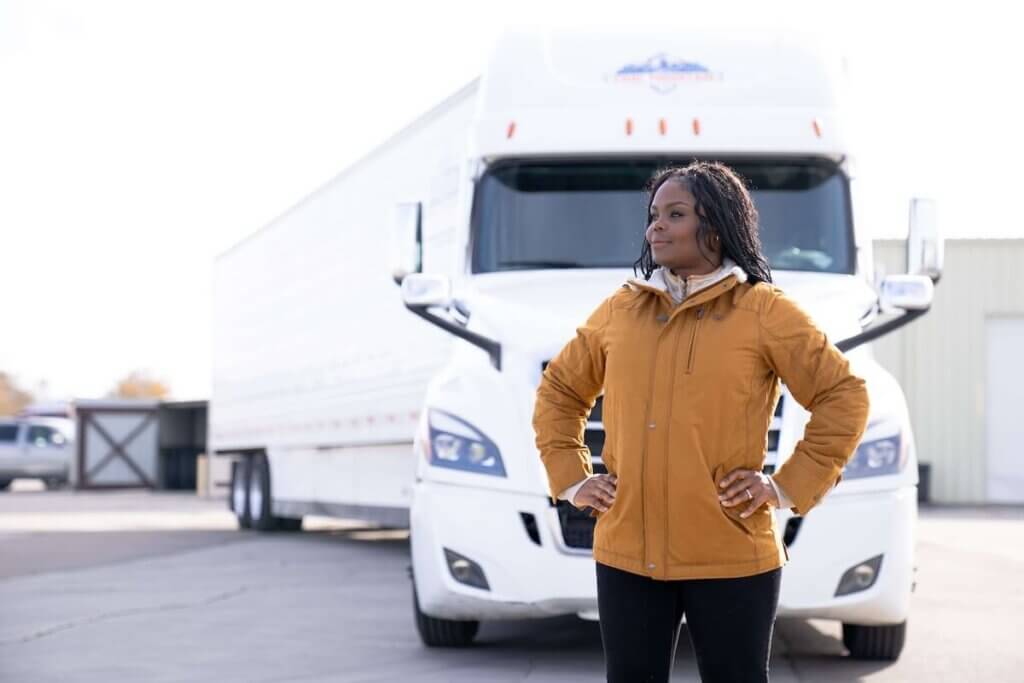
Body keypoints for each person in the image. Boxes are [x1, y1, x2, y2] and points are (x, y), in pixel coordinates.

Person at [532, 160, 870, 682]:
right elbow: (559, 390)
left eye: (675, 214)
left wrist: (785, 488)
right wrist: (573, 480)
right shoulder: (621, 311)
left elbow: (842, 395)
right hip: (627, 558)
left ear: (714, 223)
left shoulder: (764, 311)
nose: (655, 227)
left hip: (732, 558)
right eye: (653, 216)